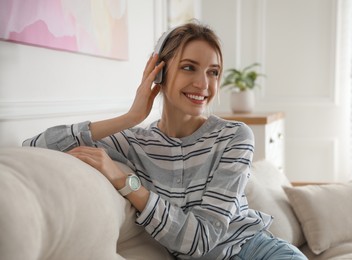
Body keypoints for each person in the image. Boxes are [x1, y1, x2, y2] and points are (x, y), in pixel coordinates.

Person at [23, 22, 307, 260]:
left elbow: (201, 240)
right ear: (159, 71)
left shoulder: (234, 137)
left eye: (213, 72)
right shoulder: (134, 141)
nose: (204, 84)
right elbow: (35, 147)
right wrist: (129, 117)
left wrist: (126, 183)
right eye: (188, 67)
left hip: (257, 252)